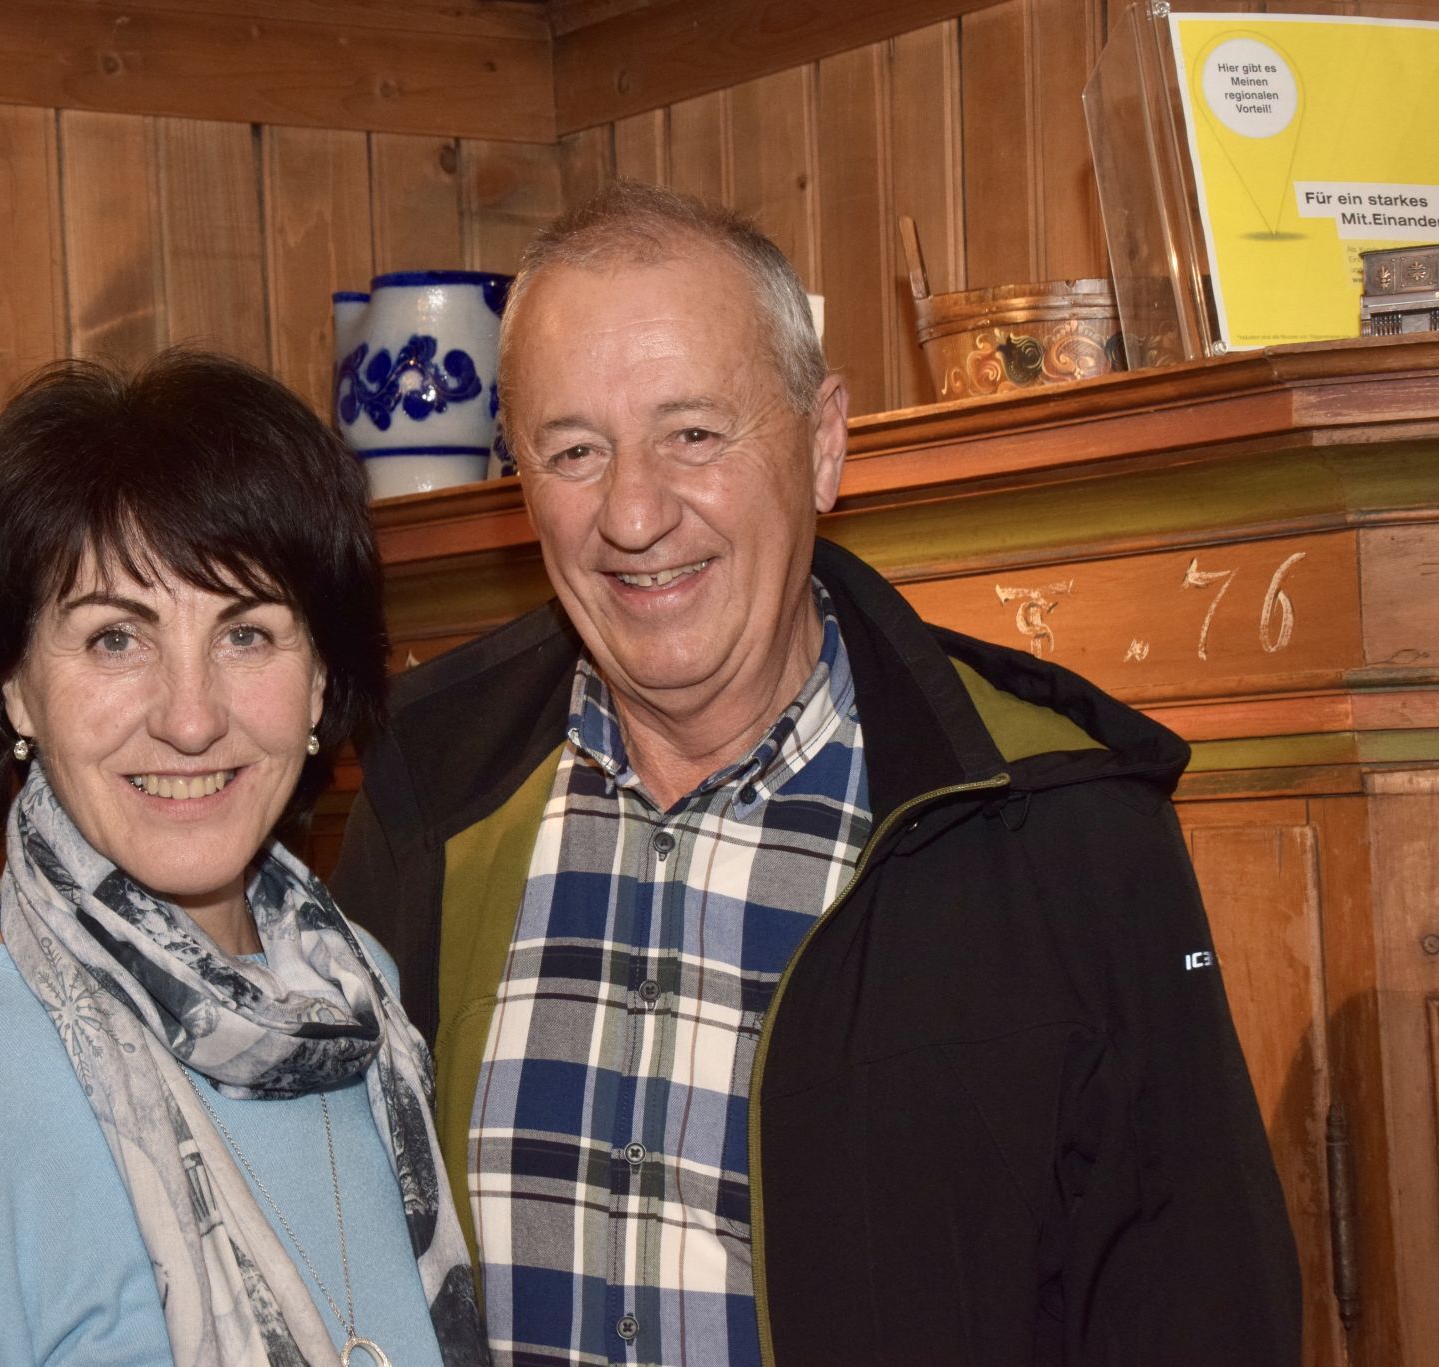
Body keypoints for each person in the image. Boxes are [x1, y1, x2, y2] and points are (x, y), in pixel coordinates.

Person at [332, 182, 1300, 1365]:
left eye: (693, 434)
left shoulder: (1057, 825)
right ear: (518, 484)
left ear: (824, 440)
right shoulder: (426, 791)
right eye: (574, 450)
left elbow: (1198, 1313)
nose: (632, 514)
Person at [0, 352, 488, 1367]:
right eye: (116, 637)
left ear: (319, 676)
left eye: (246, 633)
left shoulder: (359, 1002)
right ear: (16, 689)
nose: (192, 715)